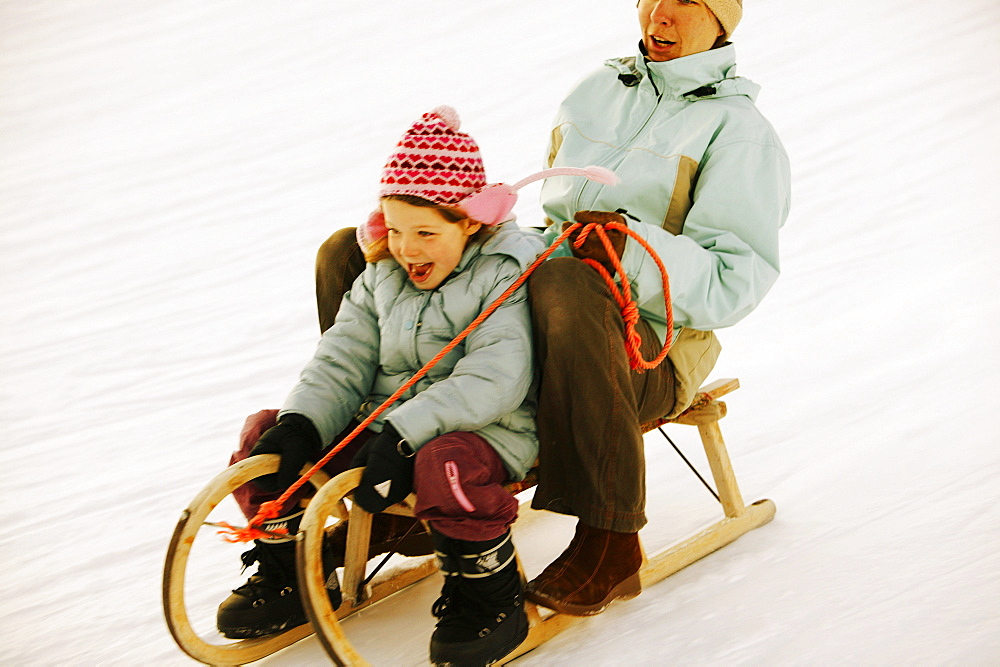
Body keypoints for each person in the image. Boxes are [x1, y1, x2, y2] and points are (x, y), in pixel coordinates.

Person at [308, 0, 790, 621]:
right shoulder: (596, 92)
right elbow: (552, 219)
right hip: (551, 300)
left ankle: (610, 539)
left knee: (567, 281)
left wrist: (628, 252)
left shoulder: (739, 134)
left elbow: (736, 280)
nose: (661, 16)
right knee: (355, 252)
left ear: (722, 19)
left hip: (648, 349)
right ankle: (389, 470)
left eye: (687, 1)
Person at [217, 105, 609, 665]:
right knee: (267, 436)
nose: (407, 248)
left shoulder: (506, 271)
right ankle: (287, 571)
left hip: (488, 430)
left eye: (426, 232)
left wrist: (405, 433)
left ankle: (486, 595)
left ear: (469, 221)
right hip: (387, 426)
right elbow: (342, 357)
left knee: (443, 465)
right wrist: (301, 423)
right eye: (396, 230)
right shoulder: (382, 274)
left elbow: (495, 379)